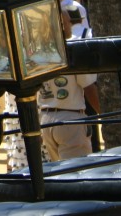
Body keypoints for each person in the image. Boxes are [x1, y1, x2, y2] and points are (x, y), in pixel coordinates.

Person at [38, 13, 100, 161]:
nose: (70, 26)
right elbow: (89, 87)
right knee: (77, 173)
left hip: (46, 118)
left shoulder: (40, 52)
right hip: (70, 119)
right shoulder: (72, 48)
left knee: (60, 174)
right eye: (66, 22)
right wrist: (107, 116)